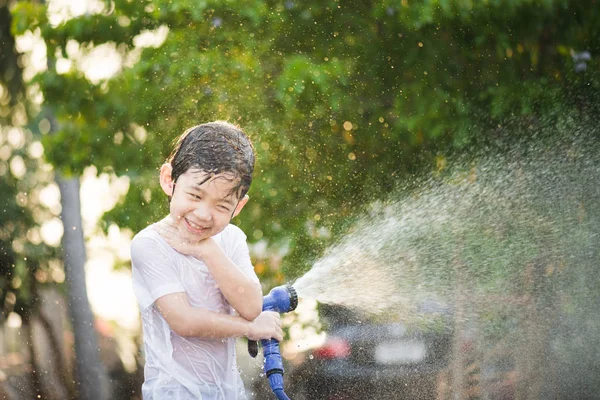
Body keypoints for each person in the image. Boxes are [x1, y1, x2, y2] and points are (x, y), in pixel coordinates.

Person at [130, 121, 283, 399]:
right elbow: (184, 320)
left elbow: (251, 305)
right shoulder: (149, 245)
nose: (203, 214)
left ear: (238, 206)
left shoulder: (231, 239)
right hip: (174, 393)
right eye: (194, 195)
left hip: (228, 393)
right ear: (169, 180)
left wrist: (207, 250)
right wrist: (249, 328)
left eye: (221, 206)